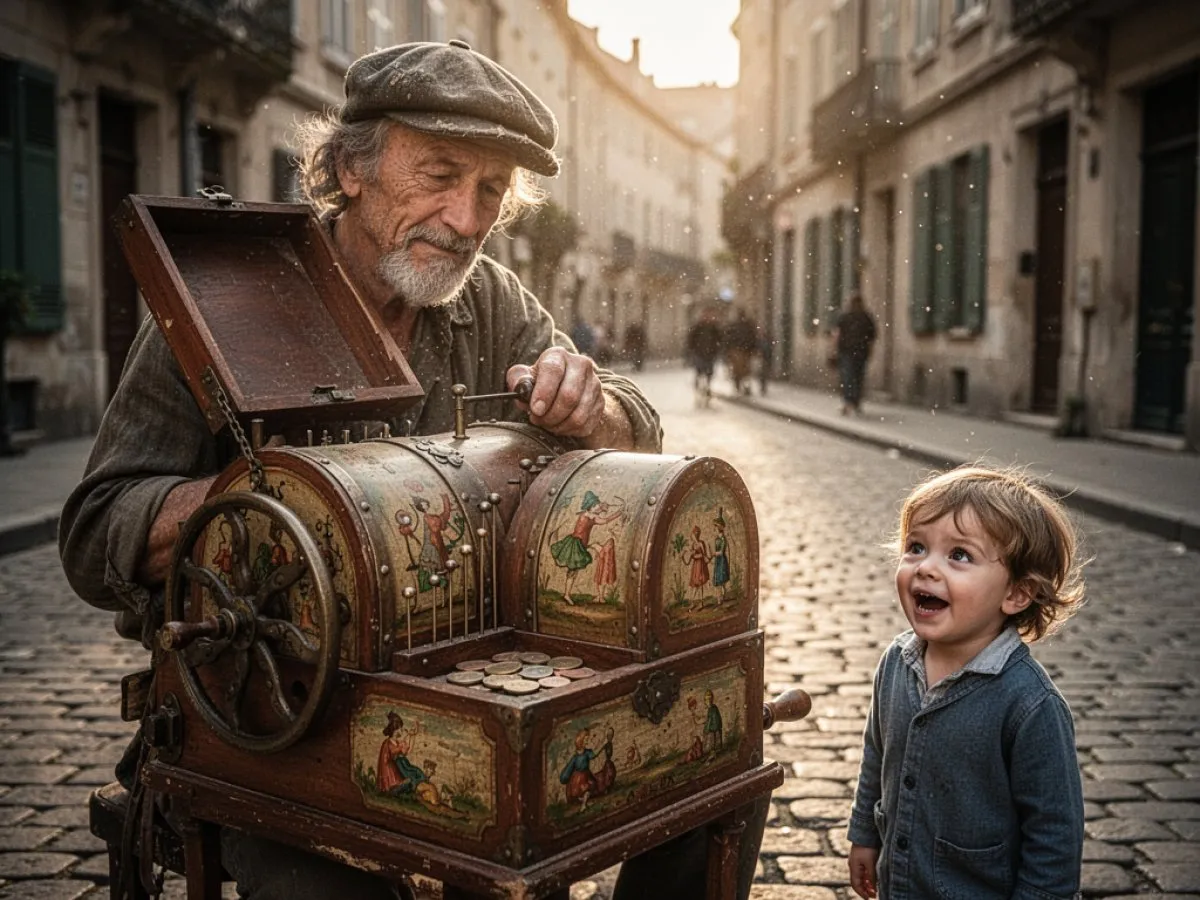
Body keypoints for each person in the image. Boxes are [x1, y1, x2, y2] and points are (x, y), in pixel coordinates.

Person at [56, 39, 772, 900]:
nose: (466, 220)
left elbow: (633, 421)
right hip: (278, 734)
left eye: (490, 193)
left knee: (704, 776)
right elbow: (98, 529)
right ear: (351, 168)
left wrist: (597, 407)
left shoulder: (490, 301)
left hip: (458, 683)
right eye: (439, 175)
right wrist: (271, 509)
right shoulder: (226, 299)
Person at [847, 465, 1087, 900]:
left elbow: (1054, 835)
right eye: (916, 547)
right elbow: (877, 755)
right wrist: (865, 833)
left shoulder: (1029, 704)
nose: (927, 569)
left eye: (959, 555)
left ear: (1016, 594)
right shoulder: (896, 664)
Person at [832, 293, 876, 415]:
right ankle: (856, 402)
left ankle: (848, 402)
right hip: (861, 351)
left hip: (847, 351)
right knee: (858, 377)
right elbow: (872, 337)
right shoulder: (866, 317)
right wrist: (870, 351)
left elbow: (837, 334)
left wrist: (834, 349)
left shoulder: (844, 316)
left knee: (847, 377)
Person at [686, 307, 722, 407]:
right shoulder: (697, 327)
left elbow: (720, 339)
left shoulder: (714, 328)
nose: (707, 317)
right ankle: (698, 393)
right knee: (699, 374)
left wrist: (716, 350)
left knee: (709, 375)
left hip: (710, 355)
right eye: (706, 315)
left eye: (709, 315)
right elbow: (691, 340)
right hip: (699, 354)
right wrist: (692, 351)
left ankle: (707, 392)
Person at [723, 309, 758, 396]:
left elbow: (753, 338)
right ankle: (741, 386)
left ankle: (741, 386)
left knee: (742, 370)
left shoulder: (741, 326)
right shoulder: (747, 326)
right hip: (740, 350)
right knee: (741, 370)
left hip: (742, 350)